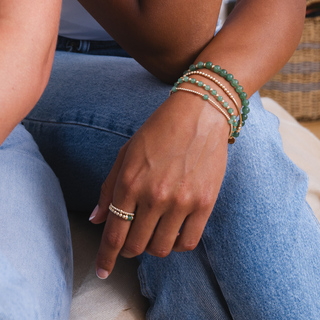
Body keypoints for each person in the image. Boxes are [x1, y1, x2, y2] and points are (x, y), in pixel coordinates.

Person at [1, 0, 319, 319]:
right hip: (30, 56)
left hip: (188, 59)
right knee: (239, 148)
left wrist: (207, 102)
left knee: (225, 140)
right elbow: (178, 41)